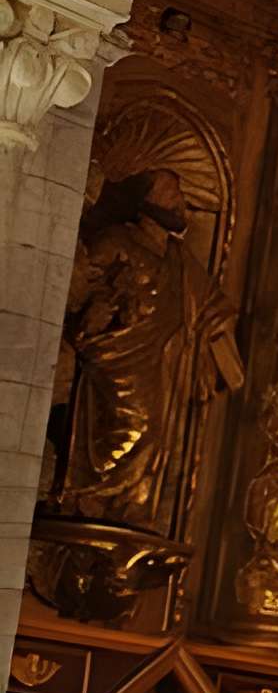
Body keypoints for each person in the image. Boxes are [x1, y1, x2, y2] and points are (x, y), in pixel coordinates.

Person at [58, 168, 244, 531]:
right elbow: (79, 288)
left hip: (160, 361)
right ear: (146, 200)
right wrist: (100, 310)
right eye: (170, 193)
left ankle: (130, 508)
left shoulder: (179, 256)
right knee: (128, 428)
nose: (180, 201)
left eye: (179, 193)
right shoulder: (115, 240)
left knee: (158, 433)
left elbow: (212, 304)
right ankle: (92, 495)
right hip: (116, 357)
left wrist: (219, 334)